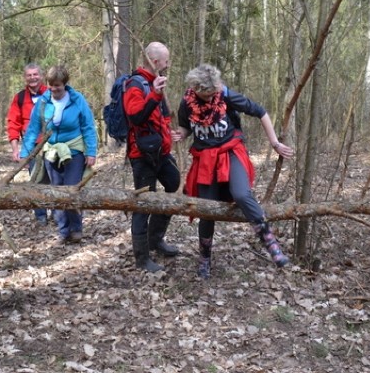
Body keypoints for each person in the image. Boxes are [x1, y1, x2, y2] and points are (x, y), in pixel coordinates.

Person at [171, 63, 294, 279]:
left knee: (241, 194)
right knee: (206, 210)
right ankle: (205, 258)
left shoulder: (226, 96)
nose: (211, 97)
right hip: (205, 159)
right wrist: (180, 134)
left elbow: (261, 112)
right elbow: (185, 127)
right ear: (196, 90)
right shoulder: (186, 103)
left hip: (230, 152)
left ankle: (271, 244)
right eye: (207, 94)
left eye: (213, 93)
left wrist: (275, 143)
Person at [21, 65, 97, 244]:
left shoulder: (77, 99)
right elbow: (33, 129)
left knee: (71, 189)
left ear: (65, 84)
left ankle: (76, 228)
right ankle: (63, 231)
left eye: (58, 85)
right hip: (52, 151)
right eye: (52, 85)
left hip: (74, 150)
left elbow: (88, 127)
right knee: (56, 191)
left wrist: (91, 151)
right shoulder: (42, 102)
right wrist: (26, 154)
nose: (55, 89)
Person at [123, 42, 181, 272]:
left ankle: (156, 240)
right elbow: (136, 116)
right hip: (142, 155)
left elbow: (162, 117)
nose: (168, 66)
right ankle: (142, 257)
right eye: (166, 61)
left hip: (162, 153)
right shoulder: (134, 85)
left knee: (173, 184)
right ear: (155, 62)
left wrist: (170, 133)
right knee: (145, 203)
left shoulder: (156, 83)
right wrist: (155, 95)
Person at [6, 62, 50, 225]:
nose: (32, 78)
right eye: (29, 75)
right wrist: (16, 149)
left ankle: (59, 213)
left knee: (55, 179)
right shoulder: (19, 98)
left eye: (35, 74)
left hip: (52, 143)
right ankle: (41, 216)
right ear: (25, 78)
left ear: (42, 76)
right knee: (35, 180)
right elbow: (13, 123)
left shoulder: (52, 93)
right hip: (31, 146)